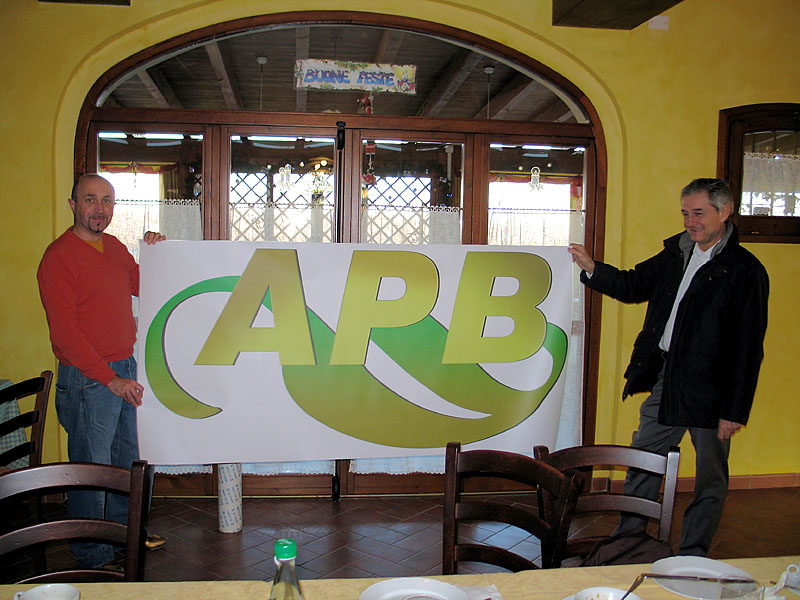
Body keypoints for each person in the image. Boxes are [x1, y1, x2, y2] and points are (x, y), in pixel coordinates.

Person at [568, 178, 769, 556]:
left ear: (724, 212)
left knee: (710, 477)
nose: (690, 222)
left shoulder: (745, 271)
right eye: (685, 213)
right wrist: (593, 268)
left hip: (714, 391)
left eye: (699, 213)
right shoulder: (676, 253)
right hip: (669, 377)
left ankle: (693, 554)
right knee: (643, 459)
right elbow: (632, 285)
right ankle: (628, 541)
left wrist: (734, 411)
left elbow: (748, 348)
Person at [37, 173, 167, 570]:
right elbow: (65, 335)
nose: (99, 208)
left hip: (124, 366)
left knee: (130, 460)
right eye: (90, 199)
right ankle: (92, 554)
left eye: (107, 200)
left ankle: (126, 535)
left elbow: (147, 285)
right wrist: (109, 379)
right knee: (92, 468)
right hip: (88, 379)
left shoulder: (114, 248)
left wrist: (159, 254)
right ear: (73, 205)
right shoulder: (58, 257)